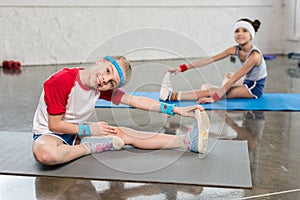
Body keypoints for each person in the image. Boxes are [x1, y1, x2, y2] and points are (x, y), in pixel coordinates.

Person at [32, 55, 210, 166]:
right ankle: (92, 147)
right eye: (108, 70)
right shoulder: (61, 81)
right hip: (50, 133)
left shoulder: (99, 88)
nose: (105, 80)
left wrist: (177, 110)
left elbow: (137, 100)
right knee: (44, 154)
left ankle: (186, 141)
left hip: (76, 130)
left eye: (112, 82)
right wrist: (88, 131)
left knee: (124, 133)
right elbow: (54, 124)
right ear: (100, 61)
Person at [160, 18, 267, 104]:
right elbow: (209, 60)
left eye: (244, 31)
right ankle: (217, 91)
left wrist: (215, 97)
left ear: (251, 35)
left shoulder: (254, 56)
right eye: (237, 31)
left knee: (210, 91)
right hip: (246, 81)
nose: (239, 34)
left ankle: (171, 96)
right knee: (228, 75)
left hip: (253, 88)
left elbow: (233, 80)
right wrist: (183, 68)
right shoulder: (235, 49)